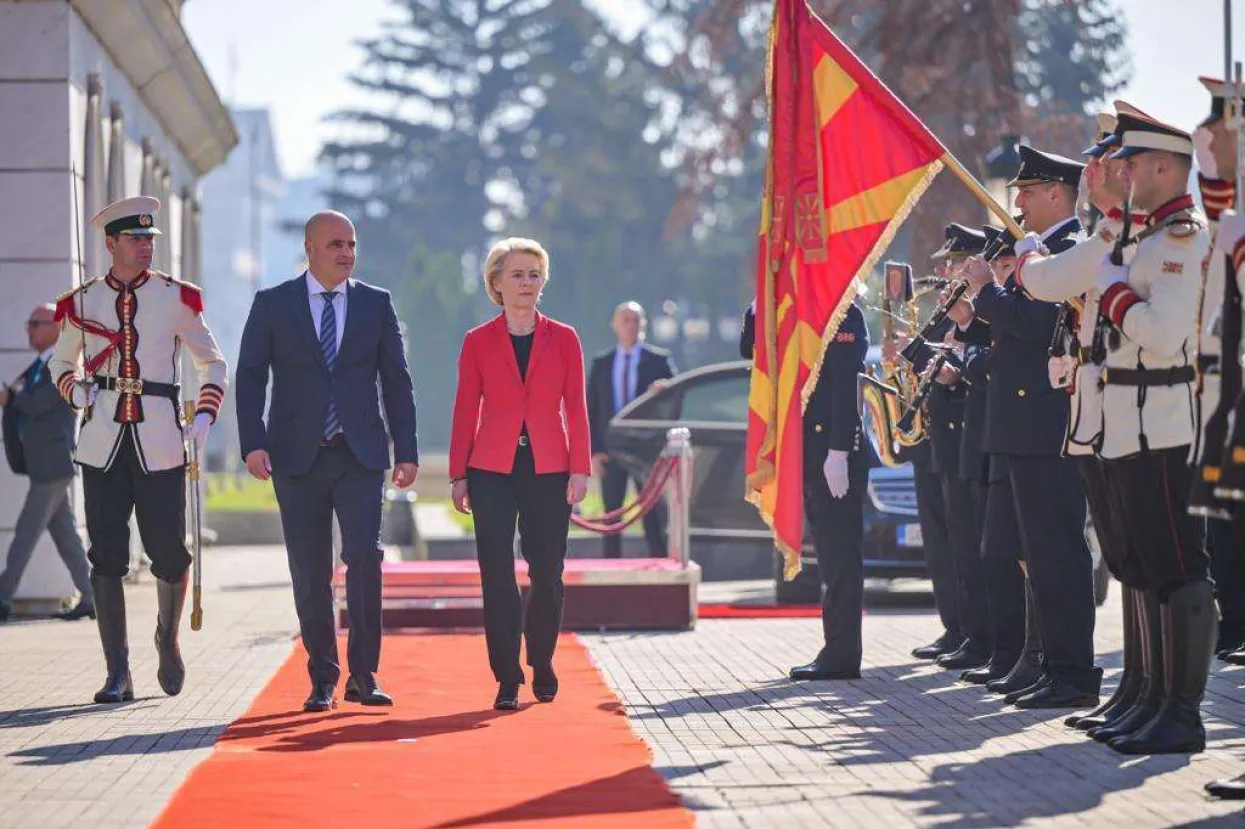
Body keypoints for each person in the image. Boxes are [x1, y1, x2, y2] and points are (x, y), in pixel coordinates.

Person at [1017, 108, 1214, 754]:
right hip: (1123, 426)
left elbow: (1160, 336)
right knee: (1138, 565)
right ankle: (1147, 697)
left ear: (1162, 167)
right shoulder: (1134, 237)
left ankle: (1179, 713)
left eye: (1127, 164)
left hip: (1161, 425)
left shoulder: (1181, 238)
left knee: (1174, 567)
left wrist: (1108, 286)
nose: (1116, 173)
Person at [236, 210, 419, 713]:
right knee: (310, 571)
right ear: (311, 248)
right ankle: (322, 677)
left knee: (365, 558)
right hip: (297, 458)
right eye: (336, 243)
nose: (347, 252)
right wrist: (253, 441)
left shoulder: (375, 304)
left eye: (352, 244)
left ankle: (363, 674)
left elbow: (396, 380)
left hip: (360, 455)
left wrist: (406, 450)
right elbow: (250, 375)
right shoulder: (273, 304)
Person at [48, 196, 228, 704]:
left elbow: (212, 364)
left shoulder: (175, 298)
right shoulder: (82, 302)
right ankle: (117, 672)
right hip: (103, 442)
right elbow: (61, 362)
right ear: (110, 244)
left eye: (149, 239)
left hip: (160, 442)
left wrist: (206, 415)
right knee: (105, 557)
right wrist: (74, 388)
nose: (145, 246)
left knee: (168, 554)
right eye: (135, 239)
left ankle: (167, 639)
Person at [961, 146, 1100, 710]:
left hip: (1047, 422)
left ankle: (1072, 672)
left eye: (1027, 191)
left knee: (1058, 551)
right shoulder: (1039, 254)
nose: (1017, 201)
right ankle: (1052, 665)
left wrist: (986, 292)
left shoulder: (1065, 251)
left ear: (1056, 195)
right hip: (1025, 424)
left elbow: (1035, 321)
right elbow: (1010, 334)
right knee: (1036, 555)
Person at [448, 237, 590, 710]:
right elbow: (466, 408)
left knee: (548, 573)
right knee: (497, 574)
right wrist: (457, 474)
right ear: (496, 283)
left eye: (534, 274)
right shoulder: (477, 341)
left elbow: (577, 407)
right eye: (517, 274)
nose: (527, 283)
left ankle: (542, 660)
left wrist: (580, 468)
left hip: (550, 467)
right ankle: (506, 676)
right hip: (490, 468)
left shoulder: (565, 338)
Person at [742, 293, 870, 680]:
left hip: (833, 454)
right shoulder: (792, 312)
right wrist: (757, 306)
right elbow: (753, 352)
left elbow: (847, 384)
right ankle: (836, 648)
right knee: (829, 558)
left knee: (841, 559)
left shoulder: (843, 310)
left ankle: (843, 653)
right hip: (808, 452)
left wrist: (839, 451)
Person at [0, 303, 93, 622]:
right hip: (44, 464)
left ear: (56, 328)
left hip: (53, 466)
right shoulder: (38, 366)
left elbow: (38, 405)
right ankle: (93, 597)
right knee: (66, 537)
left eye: (35, 323)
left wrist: (10, 399)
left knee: (25, 533)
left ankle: (2, 597)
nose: (28, 328)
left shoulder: (63, 365)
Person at [586, 302, 676, 558]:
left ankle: (659, 566)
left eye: (636, 320)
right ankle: (610, 572)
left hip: (646, 449)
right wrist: (593, 452)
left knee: (652, 513)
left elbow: (673, 403)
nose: (631, 325)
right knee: (611, 514)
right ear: (615, 325)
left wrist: (661, 393)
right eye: (625, 320)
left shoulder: (658, 361)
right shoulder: (602, 363)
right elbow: (590, 409)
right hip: (610, 449)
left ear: (644, 325)